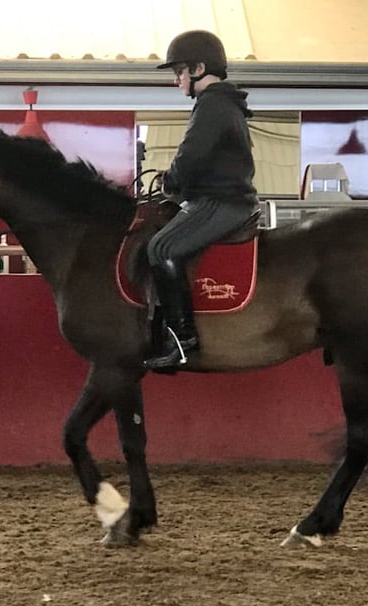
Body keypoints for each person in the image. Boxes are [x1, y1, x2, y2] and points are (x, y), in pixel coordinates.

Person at [143, 29, 258, 369]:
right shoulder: (221, 103)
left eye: (179, 72)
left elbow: (191, 156)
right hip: (218, 197)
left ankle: (182, 340)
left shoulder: (214, 104)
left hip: (223, 202)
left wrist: (170, 180)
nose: (176, 80)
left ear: (198, 69)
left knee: (160, 248)